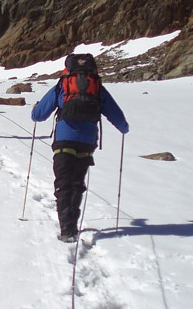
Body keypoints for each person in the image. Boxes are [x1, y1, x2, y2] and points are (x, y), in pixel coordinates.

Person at [31, 53, 129, 242]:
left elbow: (39, 114)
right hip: (86, 142)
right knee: (76, 183)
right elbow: (115, 114)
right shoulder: (97, 87)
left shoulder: (63, 85)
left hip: (64, 140)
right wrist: (123, 127)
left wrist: (34, 111)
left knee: (63, 184)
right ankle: (72, 226)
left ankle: (67, 229)